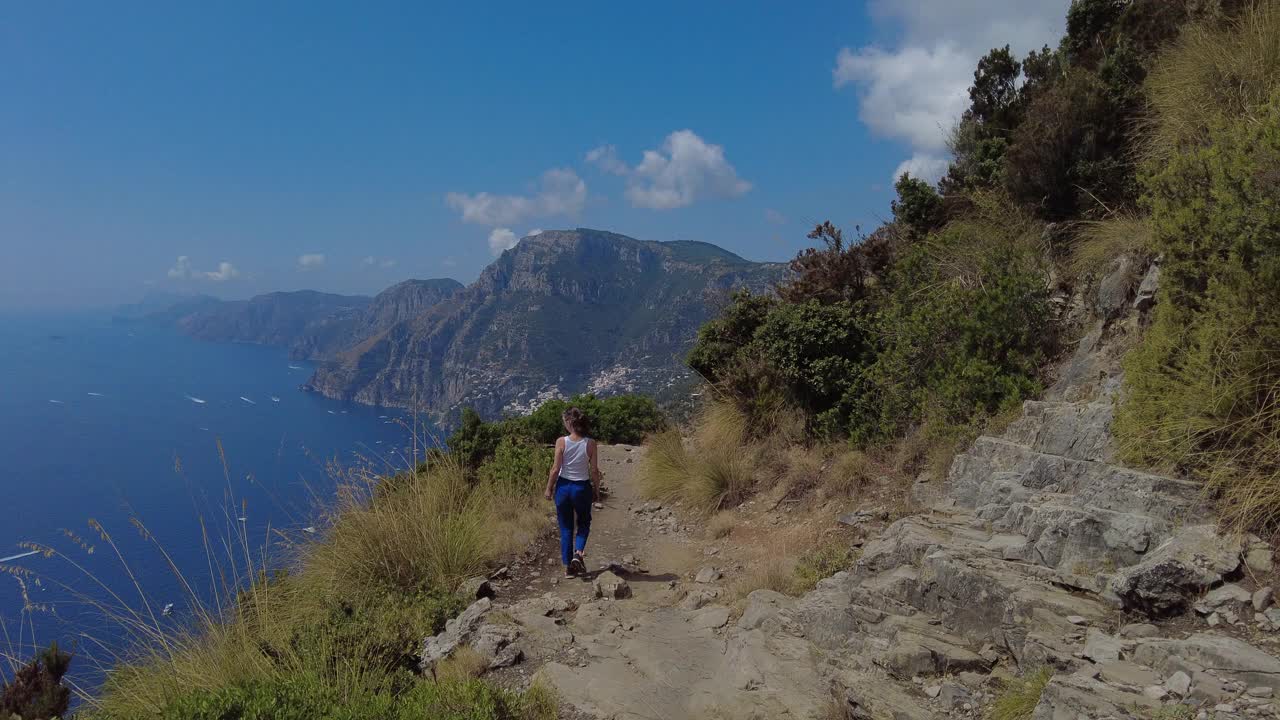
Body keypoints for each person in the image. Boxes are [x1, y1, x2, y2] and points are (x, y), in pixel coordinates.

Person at [544, 407, 601, 578]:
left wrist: (549, 488)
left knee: (566, 527)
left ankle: (568, 567)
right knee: (584, 522)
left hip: (563, 488)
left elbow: (555, 469)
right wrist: (596, 490)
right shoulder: (590, 444)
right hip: (581, 487)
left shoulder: (561, 441)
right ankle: (578, 554)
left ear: (569, 422)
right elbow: (595, 471)